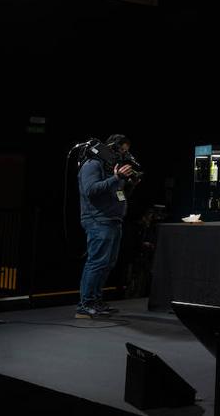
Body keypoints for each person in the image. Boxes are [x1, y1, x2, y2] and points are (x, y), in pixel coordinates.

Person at [76, 134, 139, 320]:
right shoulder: (92, 165)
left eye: (127, 151)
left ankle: (95, 301)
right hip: (98, 220)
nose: (124, 153)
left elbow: (117, 193)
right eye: (122, 149)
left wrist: (130, 183)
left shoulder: (111, 167)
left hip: (113, 220)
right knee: (96, 263)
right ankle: (85, 305)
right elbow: (90, 190)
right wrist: (116, 177)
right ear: (113, 147)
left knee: (107, 263)